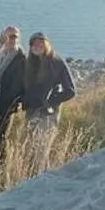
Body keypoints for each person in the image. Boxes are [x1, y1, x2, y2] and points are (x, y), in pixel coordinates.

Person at [21, 32, 77, 172]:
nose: (37, 46)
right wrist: (24, 101)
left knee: (41, 150)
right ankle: (35, 179)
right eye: (34, 43)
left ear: (47, 44)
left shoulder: (56, 62)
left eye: (41, 42)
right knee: (29, 151)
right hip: (31, 112)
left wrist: (51, 101)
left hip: (48, 114)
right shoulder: (29, 63)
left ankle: (43, 179)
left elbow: (70, 90)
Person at [0, 26, 26, 167]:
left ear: (18, 38)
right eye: (7, 36)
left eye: (14, 36)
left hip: (6, 103)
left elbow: (22, 84)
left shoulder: (21, 58)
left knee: (0, 136)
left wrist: (15, 102)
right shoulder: (1, 54)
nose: (10, 39)